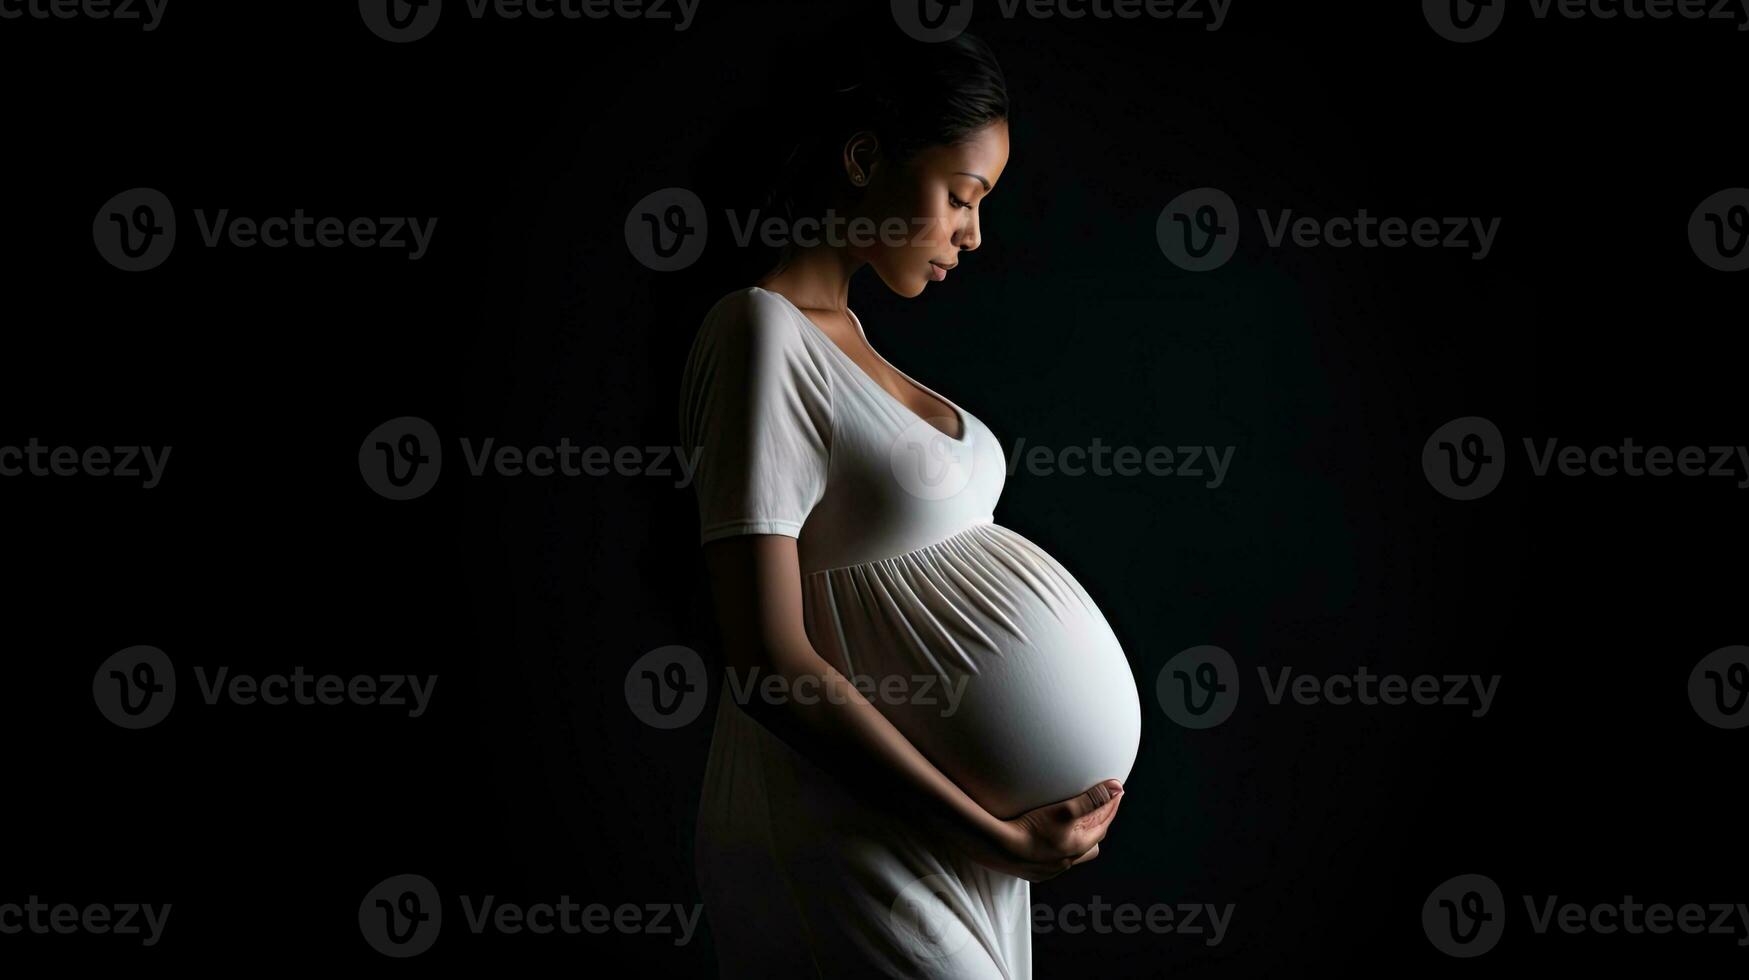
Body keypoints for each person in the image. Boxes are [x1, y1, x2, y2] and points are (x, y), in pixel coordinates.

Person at [678, 22, 1141, 979]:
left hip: (953, 843)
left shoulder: (845, 336)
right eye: (960, 196)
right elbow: (766, 660)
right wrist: (990, 833)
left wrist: (998, 842)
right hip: (847, 837)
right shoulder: (757, 334)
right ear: (863, 159)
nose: (973, 232)